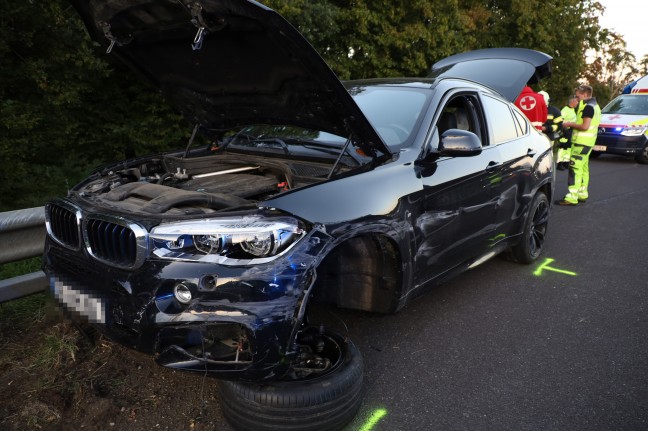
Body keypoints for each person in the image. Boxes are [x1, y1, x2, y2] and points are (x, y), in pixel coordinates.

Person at [558, 84, 601, 206]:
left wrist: (569, 124)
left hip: (581, 143)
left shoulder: (588, 107)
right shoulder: (596, 106)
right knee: (583, 168)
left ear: (585, 94)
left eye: (578, 96)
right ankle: (582, 194)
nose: (577, 99)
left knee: (575, 169)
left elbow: (584, 126)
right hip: (588, 143)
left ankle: (572, 197)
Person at [556, 95, 579, 170]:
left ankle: (566, 163)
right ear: (572, 101)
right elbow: (560, 120)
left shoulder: (572, 110)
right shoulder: (565, 109)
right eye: (576, 101)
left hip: (571, 131)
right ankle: (559, 164)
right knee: (563, 148)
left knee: (568, 148)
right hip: (565, 132)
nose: (577, 103)